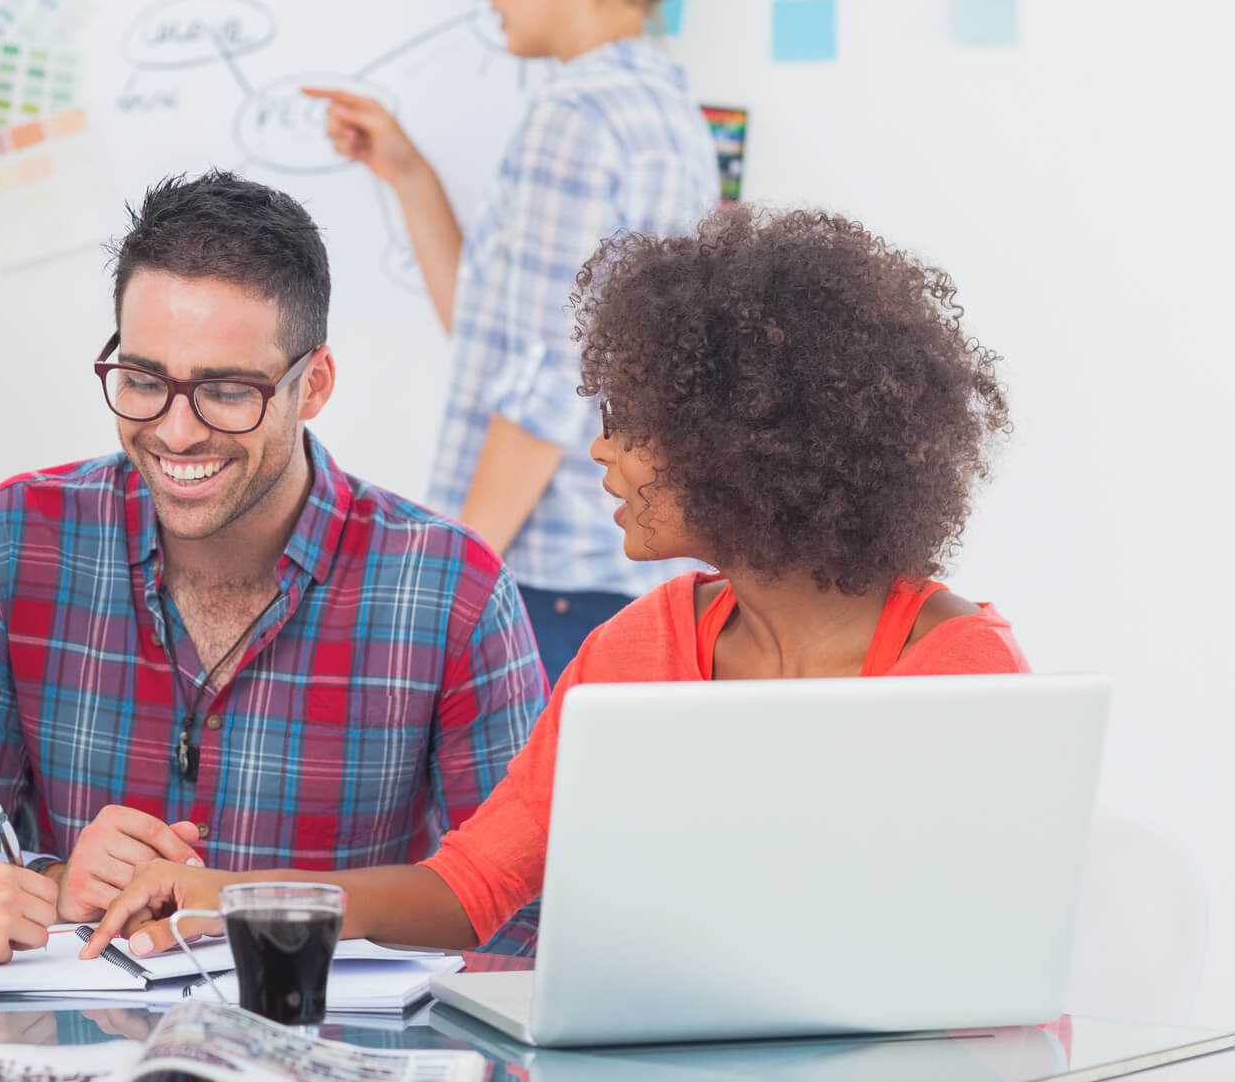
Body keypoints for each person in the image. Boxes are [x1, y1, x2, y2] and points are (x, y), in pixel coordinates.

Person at [84, 206, 1027, 957]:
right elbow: (469, 889)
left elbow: (982, 964)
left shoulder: (958, 668)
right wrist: (242, 896)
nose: (600, 450)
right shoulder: (634, 649)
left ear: (744, 444)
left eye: (632, 419)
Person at [0, 171, 549, 959]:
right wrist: (55, 883)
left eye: (227, 391)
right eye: (143, 379)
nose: (177, 430)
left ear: (315, 385)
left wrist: (261, 905)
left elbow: (522, 912)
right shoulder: (12, 542)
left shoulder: (451, 590)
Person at [307, 0, 719, 681]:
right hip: (621, 566)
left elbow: (550, 381)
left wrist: (455, 583)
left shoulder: (574, 115)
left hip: (549, 577)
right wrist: (411, 176)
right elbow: (497, 331)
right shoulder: (668, 107)